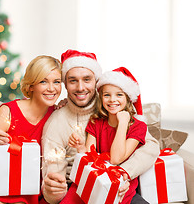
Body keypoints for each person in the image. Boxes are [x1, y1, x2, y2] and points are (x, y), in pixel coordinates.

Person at [41, 49, 160, 204]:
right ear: (65, 84)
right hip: (81, 186)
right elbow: (55, 172)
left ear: (97, 82)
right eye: (73, 81)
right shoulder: (59, 121)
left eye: (87, 79)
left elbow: (151, 146)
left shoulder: (112, 106)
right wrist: (54, 189)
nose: (80, 87)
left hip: (123, 186)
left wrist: (124, 174)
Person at [0, 55, 62, 204]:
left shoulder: (57, 115)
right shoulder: (8, 112)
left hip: (25, 187)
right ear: (31, 85)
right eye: (43, 81)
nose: (52, 88)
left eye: (56, 82)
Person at [69, 67, 148, 204]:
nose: (112, 100)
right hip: (97, 179)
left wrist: (123, 123)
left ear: (128, 98)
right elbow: (90, 156)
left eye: (119, 95)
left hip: (122, 184)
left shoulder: (138, 127)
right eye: (107, 95)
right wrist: (81, 148)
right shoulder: (96, 122)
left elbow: (116, 159)